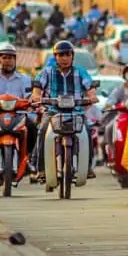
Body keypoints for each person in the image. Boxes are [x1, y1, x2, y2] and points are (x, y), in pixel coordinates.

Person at [31, 41, 98, 179]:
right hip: (52, 111)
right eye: (61, 55)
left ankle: (88, 167)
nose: (64, 58)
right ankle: (41, 169)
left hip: (76, 112)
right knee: (43, 130)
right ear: (55, 57)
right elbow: (37, 89)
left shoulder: (80, 71)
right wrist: (36, 96)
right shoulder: (47, 72)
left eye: (67, 55)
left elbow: (90, 88)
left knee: (87, 131)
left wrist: (92, 97)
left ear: (72, 56)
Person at [0, 43, 37, 178]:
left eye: (11, 58)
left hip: (18, 115)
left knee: (32, 128)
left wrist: (32, 101)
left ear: (15, 60)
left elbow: (29, 96)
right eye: (4, 57)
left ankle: (27, 159)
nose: (8, 61)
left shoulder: (24, 78)